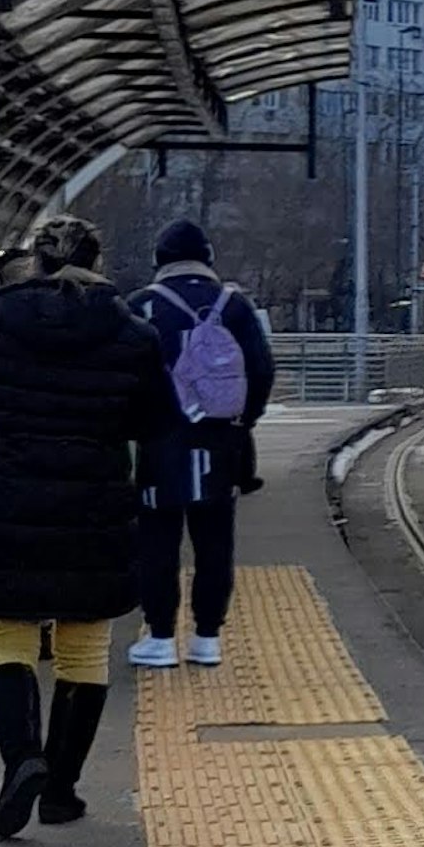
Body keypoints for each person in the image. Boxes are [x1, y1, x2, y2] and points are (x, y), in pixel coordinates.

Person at [0, 215, 183, 838]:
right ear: (98, 261)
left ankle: (23, 759)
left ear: (35, 264)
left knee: (5, 638)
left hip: (7, 498)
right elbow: (158, 422)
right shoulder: (132, 332)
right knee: (83, 646)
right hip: (95, 503)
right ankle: (62, 791)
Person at [130, 213, 278, 670]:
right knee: (215, 542)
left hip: (157, 445)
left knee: (157, 542)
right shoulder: (235, 305)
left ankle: (158, 638)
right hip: (221, 446)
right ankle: (207, 637)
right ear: (209, 258)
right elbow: (262, 370)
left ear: (159, 260)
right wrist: (242, 422)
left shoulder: (140, 306)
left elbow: (123, 376)